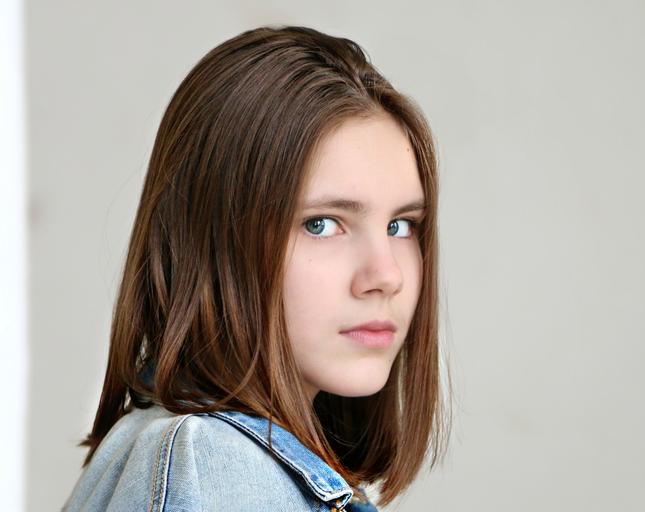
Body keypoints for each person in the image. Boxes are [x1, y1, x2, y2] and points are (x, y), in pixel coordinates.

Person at [63, 24, 450, 512]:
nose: (387, 276)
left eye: (401, 226)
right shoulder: (214, 467)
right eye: (321, 224)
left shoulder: (190, 449)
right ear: (216, 242)